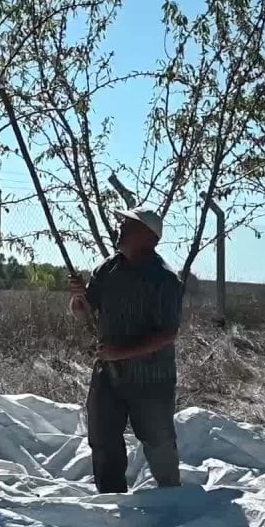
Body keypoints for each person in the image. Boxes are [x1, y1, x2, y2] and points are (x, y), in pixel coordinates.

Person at [68, 204, 183, 494]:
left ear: (149, 238)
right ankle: (111, 498)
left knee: (157, 440)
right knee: (103, 437)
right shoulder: (108, 269)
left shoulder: (165, 280)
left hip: (151, 378)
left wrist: (121, 352)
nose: (121, 228)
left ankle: (172, 498)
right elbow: (85, 311)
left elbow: (167, 335)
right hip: (108, 373)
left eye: (129, 225)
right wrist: (78, 300)